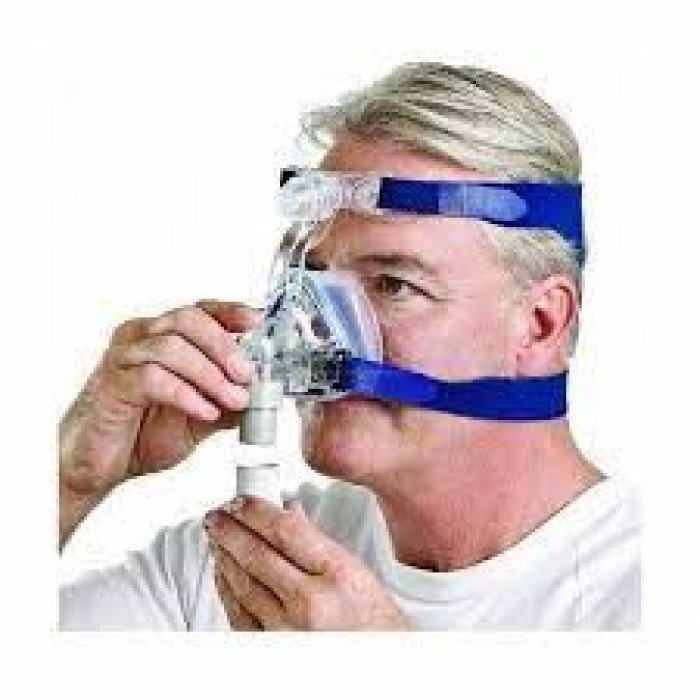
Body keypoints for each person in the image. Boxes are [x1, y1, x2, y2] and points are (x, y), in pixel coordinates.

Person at [58, 62, 640, 630]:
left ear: (540, 325)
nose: (313, 329)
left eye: (392, 284)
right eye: (312, 278)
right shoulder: (256, 566)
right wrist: (70, 479)